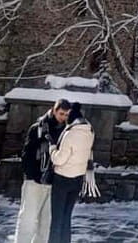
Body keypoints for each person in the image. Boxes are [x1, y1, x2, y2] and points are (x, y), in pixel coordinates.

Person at [14, 98, 70, 243]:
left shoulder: (67, 132)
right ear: (54, 110)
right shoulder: (38, 128)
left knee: (46, 224)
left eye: (66, 115)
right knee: (28, 219)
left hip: (55, 182)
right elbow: (27, 153)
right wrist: (31, 175)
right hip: (35, 181)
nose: (63, 117)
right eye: (61, 113)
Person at [48, 102, 98, 243]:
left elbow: (60, 159)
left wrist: (52, 149)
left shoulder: (70, 134)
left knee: (56, 219)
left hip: (62, 178)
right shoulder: (90, 132)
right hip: (78, 178)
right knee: (66, 217)